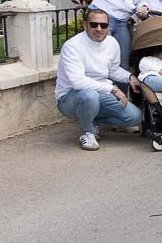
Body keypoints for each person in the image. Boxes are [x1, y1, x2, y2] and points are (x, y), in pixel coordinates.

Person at [54, 8, 142, 150]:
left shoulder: (112, 43)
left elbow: (113, 70)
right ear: (85, 25)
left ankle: (91, 122)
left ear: (108, 26)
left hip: (100, 94)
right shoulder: (72, 46)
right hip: (69, 97)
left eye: (104, 25)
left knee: (135, 117)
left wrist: (130, 77)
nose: (99, 29)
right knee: (89, 95)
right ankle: (86, 132)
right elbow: (78, 82)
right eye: (94, 24)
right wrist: (112, 89)